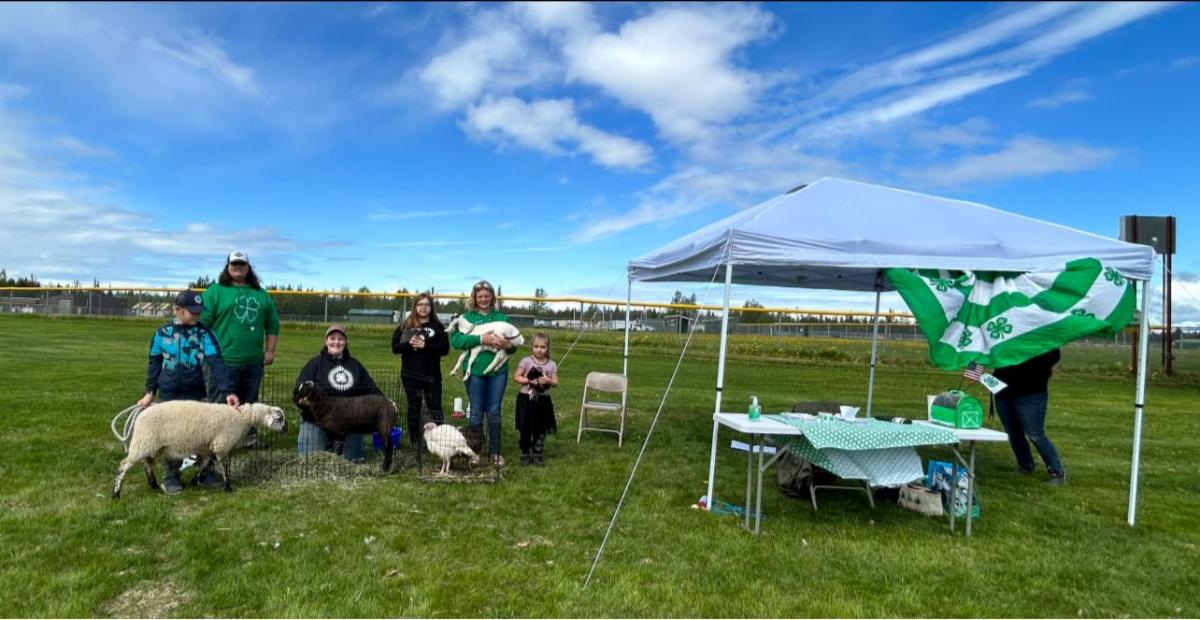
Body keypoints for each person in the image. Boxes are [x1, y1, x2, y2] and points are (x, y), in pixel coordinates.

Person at [137, 289, 240, 494]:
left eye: (199, 311)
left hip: (196, 391)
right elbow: (154, 364)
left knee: (205, 432)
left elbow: (216, 362)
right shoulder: (162, 334)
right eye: (192, 311)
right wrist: (150, 391)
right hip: (169, 393)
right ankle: (171, 475)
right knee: (171, 434)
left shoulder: (205, 334)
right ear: (178, 310)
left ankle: (205, 473)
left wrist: (227, 391)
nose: (197, 315)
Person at [199, 250, 280, 448]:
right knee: (220, 405)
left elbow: (273, 324)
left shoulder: (261, 294)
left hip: (253, 361)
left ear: (248, 267)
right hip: (223, 361)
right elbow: (202, 324)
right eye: (234, 264)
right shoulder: (215, 291)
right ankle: (216, 442)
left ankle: (248, 439)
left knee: (249, 404)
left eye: (241, 264)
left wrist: (269, 351)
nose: (237, 267)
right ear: (227, 267)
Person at [449, 280, 518, 466]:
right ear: (474, 298)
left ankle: (495, 452)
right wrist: (481, 338)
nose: (483, 299)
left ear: (492, 297)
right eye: (480, 296)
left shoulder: (502, 318)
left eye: (487, 295)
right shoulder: (467, 318)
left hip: (498, 371)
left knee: (494, 411)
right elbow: (456, 341)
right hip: (475, 371)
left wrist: (507, 345)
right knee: (477, 412)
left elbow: (514, 347)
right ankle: (475, 452)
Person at [293, 324, 382, 462]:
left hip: (349, 423)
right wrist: (302, 401)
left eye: (340, 339)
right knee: (311, 461)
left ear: (346, 343)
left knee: (351, 461)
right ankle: (325, 443)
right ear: (326, 341)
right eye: (332, 338)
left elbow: (371, 389)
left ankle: (342, 447)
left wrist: (385, 402)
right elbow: (299, 388)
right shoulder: (315, 364)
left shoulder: (355, 366)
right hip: (316, 420)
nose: (336, 342)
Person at [992, 348, 1067, 485]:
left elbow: (1053, 356)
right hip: (1002, 390)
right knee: (1013, 433)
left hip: (1031, 392)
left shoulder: (1039, 333)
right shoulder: (1003, 329)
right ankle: (1025, 465)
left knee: (1035, 434)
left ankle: (1057, 472)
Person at [391, 293, 450, 449]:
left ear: (431, 308)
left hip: (432, 376)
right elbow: (395, 348)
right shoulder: (406, 326)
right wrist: (409, 344)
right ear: (415, 307)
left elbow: (445, 349)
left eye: (427, 304)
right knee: (413, 407)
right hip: (410, 375)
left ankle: (440, 439)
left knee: (435, 406)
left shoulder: (438, 327)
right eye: (420, 304)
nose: (424, 307)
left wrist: (426, 346)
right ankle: (415, 441)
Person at [513, 333, 558, 467]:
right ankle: (525, 453)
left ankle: (538, 453)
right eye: (536, 346)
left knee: (541, 427)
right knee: (525, 426)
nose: (539, 350)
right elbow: (516, 377)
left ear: (548, 348)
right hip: (526, 399)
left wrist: (548, 380)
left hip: (543, 401)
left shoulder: (551, 364)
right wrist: (529, 380)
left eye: (543, 347)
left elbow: (556, 382)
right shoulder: (526, 361)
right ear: (532, 347)